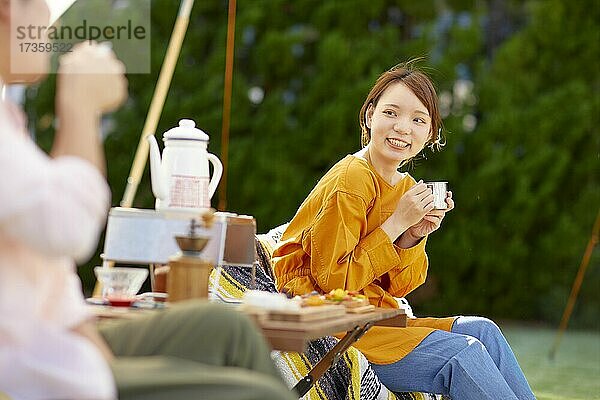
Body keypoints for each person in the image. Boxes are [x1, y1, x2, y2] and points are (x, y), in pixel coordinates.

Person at [0, 1, 294, 399]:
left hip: (62, 336)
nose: (51, 27)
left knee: (229, 328)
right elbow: (66, 229)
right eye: (40, 9)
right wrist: (80, 107)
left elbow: (46, 264)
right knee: (261, 393)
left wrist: (86, 336)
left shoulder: (10, 120)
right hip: (31, 366)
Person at [272, 60, 536, 399]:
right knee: (462, 354)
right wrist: (397, 221)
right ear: (369, 115)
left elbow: (401, 285)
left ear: (431, 135)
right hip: (329, 323)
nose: (402, 128)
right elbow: (333, 283)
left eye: (418, 120)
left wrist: (414, 234)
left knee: (483, 331)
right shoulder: (350, 178)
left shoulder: (407, 186)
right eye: (391, 113)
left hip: (375, 316)